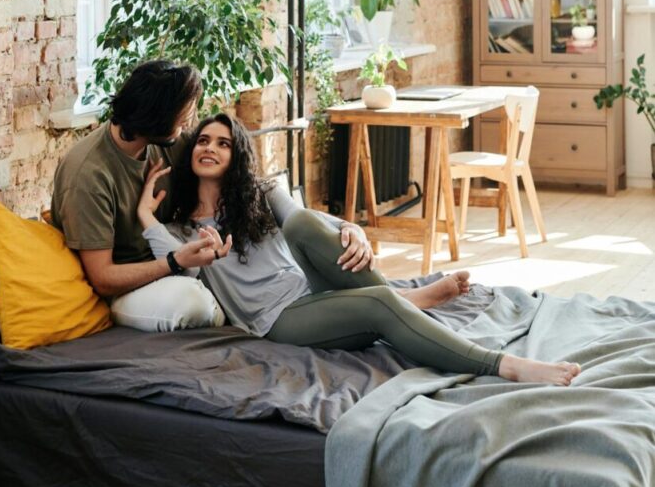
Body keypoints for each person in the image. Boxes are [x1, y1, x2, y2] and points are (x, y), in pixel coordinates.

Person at [136, 112, 582, 386]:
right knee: (379, 304)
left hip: (309, 287)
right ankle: (503, 365)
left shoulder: (259, 192)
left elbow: (309, 221)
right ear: (191, 151)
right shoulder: (182, 228)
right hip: (277, 319)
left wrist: (354, 229)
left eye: (223, 143)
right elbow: (179, 269)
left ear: (237, 157)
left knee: (308, 222)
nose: (210, 148)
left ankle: (399, 298)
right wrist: (147, 218)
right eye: (203, 141)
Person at [51, 59, 230, 330]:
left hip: (170, 260)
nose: (189, 120)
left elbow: (229, 174)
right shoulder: (87, 175)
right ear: (156, 118)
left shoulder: (169, 143)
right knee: (195, 303)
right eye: (182, 116)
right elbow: (102, 277)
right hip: (123, 291)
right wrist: (174, 261)